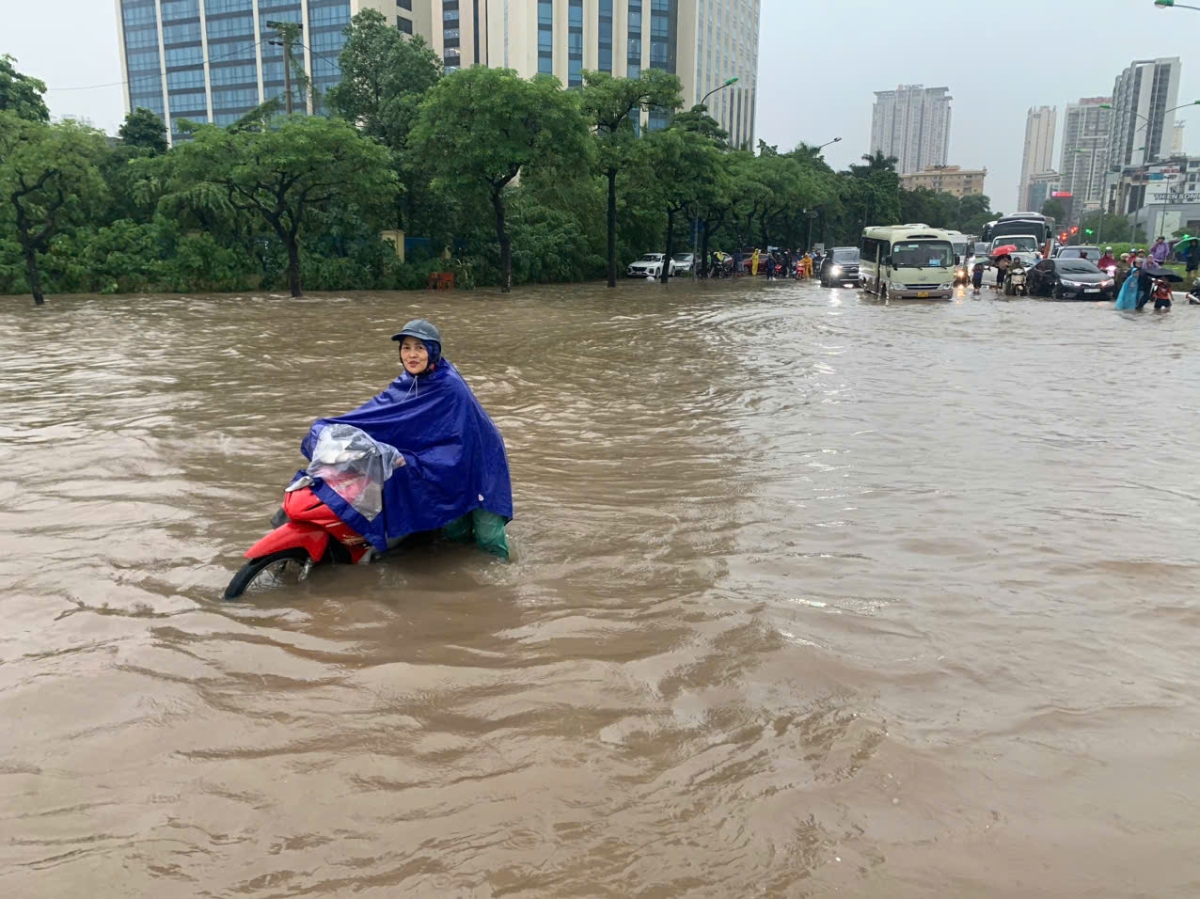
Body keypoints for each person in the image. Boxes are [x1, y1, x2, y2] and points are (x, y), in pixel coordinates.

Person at [300, 319, 513, 558]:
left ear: (432, 351)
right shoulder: (405, 383)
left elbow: (458, 441)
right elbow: (376, 414)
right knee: (456, 535)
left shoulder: (449, 387)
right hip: (450, 468)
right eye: (406, 347)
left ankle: (501, 587)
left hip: (481, 463)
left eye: (420, 348)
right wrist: (336, 428)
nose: (412, 355)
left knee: (488, 537)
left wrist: (414, 459)